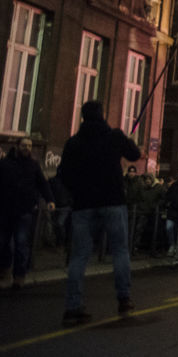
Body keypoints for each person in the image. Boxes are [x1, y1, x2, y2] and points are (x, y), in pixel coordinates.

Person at [57, 101, 141, 326]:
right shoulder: (113, 136)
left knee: (79, 256)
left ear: (83, 117)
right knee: (120, 250)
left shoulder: (74, 143)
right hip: (112, 200)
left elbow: (63, 174)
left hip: (83, 204)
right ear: (102, 115)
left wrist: (77, 191)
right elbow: (135, 154)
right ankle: (123, 297)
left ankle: (73, 305)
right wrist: (126, 139)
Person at [0, 137, 55, 289]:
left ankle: (19, 275)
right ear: (17, 146)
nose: (27, 148)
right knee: (4, 243)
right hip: (5, 209)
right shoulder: (5, 164)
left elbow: (43, 184)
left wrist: (50, 199)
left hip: (24, 210)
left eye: (30, 146)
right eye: (24, 145)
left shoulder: (33, 165)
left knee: (21, 243)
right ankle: (5, 268)